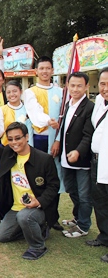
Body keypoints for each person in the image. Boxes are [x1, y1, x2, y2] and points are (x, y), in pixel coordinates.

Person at [0, 119, 59, 260]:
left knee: (25, 216)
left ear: (27, 137)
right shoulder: (8, 153)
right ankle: (36, 229)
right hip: (16, 207)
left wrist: (38, 201)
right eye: (10, 139)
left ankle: (38, 246)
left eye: (18, 138)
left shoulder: (44, 159)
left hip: (40, 208)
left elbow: (54, 186)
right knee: (2, 236)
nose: (14, 142)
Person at [23, 56, 64, 231]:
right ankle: (38, 216)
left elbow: (65, 119)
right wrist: (48, 121)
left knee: (54, 179)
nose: (45, 71)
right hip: (38, 139)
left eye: (48, 68)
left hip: (55, 139)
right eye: (42, 68)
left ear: (52, 71)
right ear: (36, 71)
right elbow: (35, 113)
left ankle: (53, 217)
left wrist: (58, 139)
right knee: (37, 178)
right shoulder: (30, 92)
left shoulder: (61, 92)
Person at [55, 72, 94, 238]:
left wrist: (78, 151)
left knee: (84, 195)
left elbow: (88, 135)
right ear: (67, 86)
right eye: (72, 85)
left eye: (79, 86)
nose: (75, 89)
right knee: (72, 190)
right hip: (66, 158)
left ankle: (84, 226)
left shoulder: (90, 107)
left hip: (81, 160)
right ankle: (78, 217)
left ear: (86, 87)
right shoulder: (67, 104)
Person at [86, 68, 108, 262]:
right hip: (97, 160)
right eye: (102, 83)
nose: (105, 88)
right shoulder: (100, 102)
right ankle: (105, 235)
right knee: (100, 201)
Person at [0, 80, 33, 146]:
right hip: (7, 148)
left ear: (21, 92)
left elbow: (30, 132)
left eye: (15, 91)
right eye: (8, 92)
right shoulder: (1, 110)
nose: (12, 94)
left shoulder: (28, 109)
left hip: (25, 147)